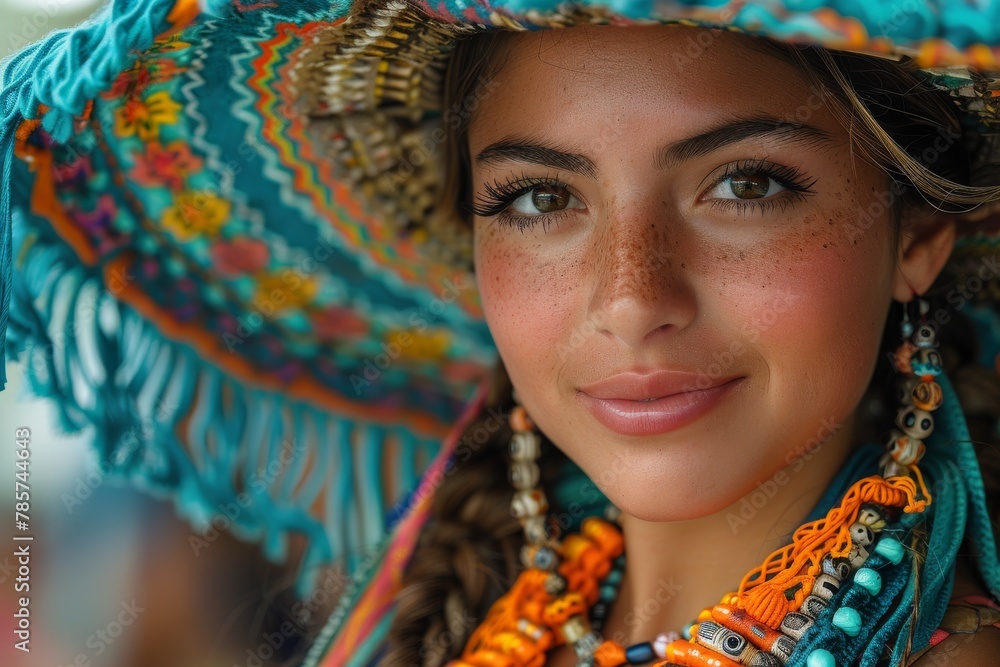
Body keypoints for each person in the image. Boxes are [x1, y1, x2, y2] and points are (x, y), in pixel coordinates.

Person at [2, 1, 999, 667]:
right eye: (538, 198)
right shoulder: (455, 611)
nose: (629, 295)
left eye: (745, 184)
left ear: (913, 235)